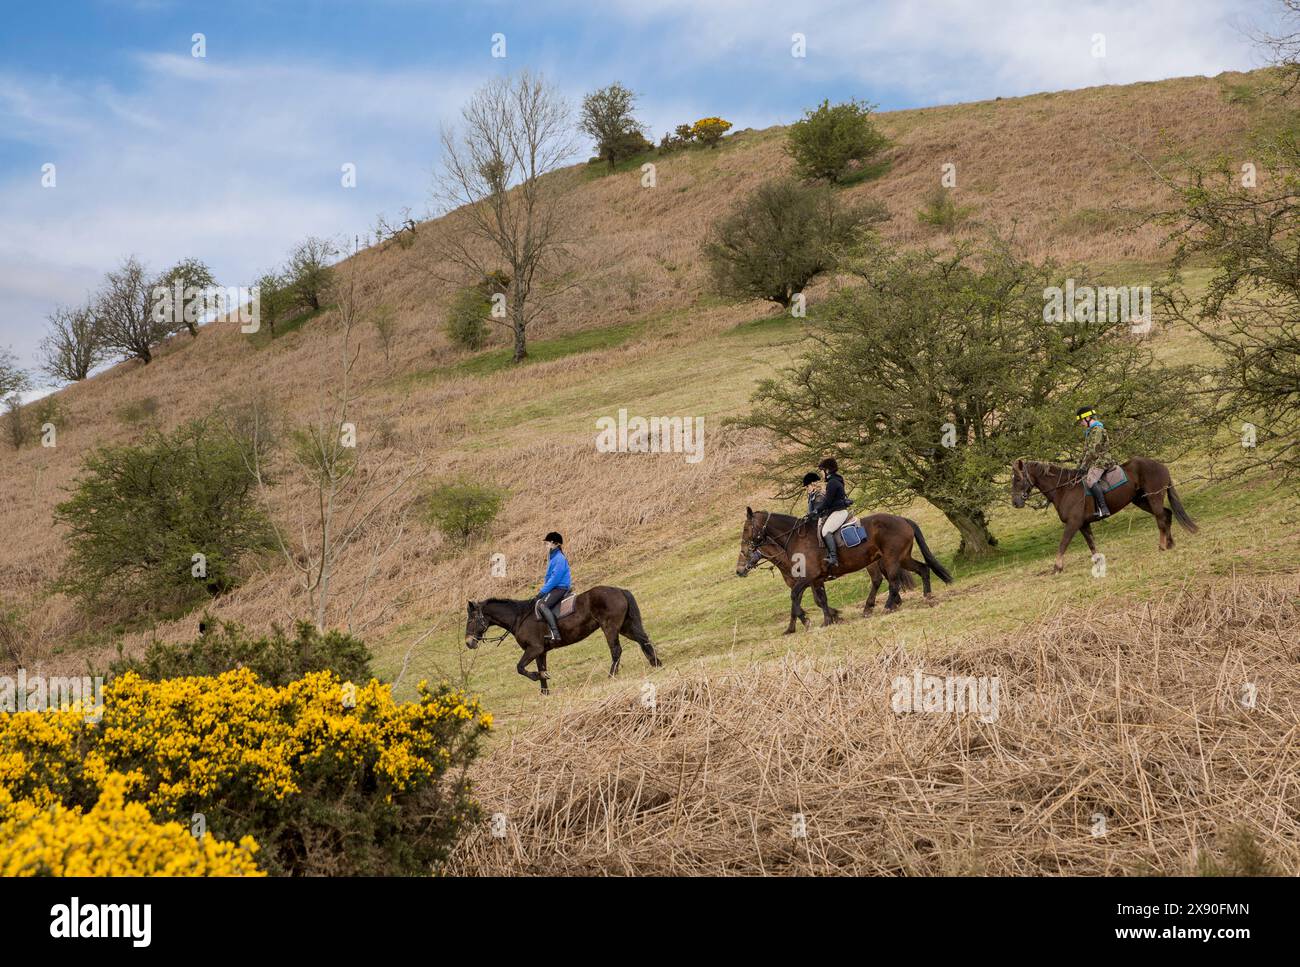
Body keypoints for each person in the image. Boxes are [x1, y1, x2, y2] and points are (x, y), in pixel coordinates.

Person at [809, 458, 852, 571]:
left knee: (825, 531)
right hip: (837, 511)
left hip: (839, 512)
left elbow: (827, 502)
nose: (822, 474)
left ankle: (834, 557)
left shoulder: (832, 483)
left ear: (827, 470)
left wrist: (816, 511)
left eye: (822, 471)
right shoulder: (836, 479)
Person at [1077, 406, 1113, 520]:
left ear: (1087, 418)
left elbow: (1093, 451)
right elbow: (1085, 451)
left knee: (1090, 480)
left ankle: (1104, 508)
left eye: (1081, 421)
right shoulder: (1090, 432)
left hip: (1102, 460)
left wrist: (1084, 466)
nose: (1081, 424)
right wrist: (1078, 467)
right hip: (1094, 461)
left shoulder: (1097, 430)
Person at [536, 531, 572, 642]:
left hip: (560, 587)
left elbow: (555, 578)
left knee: (542, 605)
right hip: (555, 587)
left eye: (547, 543)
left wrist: (543, 591)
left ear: (554, 543)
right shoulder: (553, 556)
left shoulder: (559, 558)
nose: (546, 545)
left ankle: (555, 633)